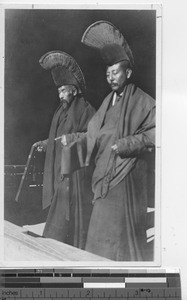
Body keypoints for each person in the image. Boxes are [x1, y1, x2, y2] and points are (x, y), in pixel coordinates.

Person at [60, 21, 156, 261]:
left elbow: (158, 133)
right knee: (100, 235)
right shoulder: (107, 102)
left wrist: (127, 144)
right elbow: (93, 134)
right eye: (107, 73)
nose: (110, 78)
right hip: (104, 174)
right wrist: (71, 141)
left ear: (128, 73)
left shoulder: (144, 101)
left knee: (122, 236)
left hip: (127, 175)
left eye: (115, 72)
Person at [34, 51, 95, 248]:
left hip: (76, 173)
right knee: (59, 210)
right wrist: (45, 143)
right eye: (59, 91)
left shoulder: (87, 110)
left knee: (72, 216)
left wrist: (72, 140)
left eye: (64, 91)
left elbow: (93, 137)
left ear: (75, 91)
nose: (61, 95)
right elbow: (56, 138)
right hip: (60, 170)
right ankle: (55, 247)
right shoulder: (60, 112)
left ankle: (68, 248)